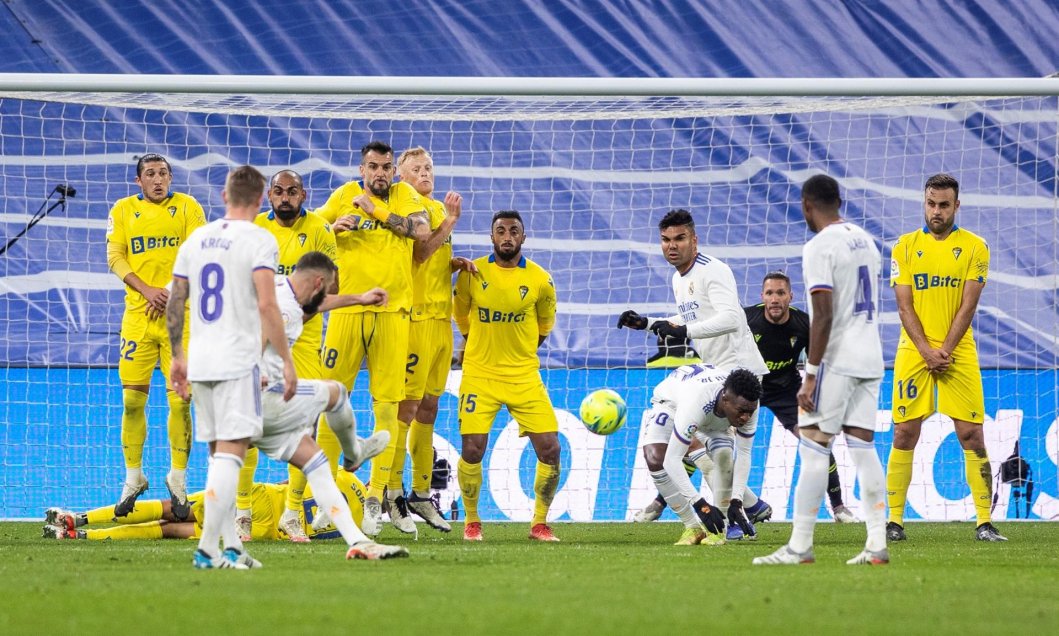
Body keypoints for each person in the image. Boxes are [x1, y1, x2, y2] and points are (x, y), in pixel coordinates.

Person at [753, 174, 888, 566]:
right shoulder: (866, 240)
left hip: (838, 358)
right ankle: (877, 544)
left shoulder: (819, 247)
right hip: (871, 357)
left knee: (813, 445)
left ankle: (799, 547)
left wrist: (810, 373)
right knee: (863, 448)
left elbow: (824, 314)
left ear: (807, 206)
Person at [619, 209, 772, 536]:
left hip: (738, 372)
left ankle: (732, 512)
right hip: (715, 371)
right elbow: (692, 316)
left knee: (712, 449)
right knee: (705, 447)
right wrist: (647, 325)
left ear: (694, 240)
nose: (671, 246)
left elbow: (731, 318)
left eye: (679, 238)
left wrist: (684, 331)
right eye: (665, 240)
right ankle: (747, 505)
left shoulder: (713, 270)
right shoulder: (678, 278)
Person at [314, 141, 430, 536]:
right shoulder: (343, 195)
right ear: (361, 169)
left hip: (393, 314)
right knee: (330, 400)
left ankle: (375, 500)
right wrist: (331, 229)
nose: (379, 173)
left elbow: (421, 230)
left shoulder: (405, 195)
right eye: (372, 167)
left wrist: (376, 211)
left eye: (385, 167)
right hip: (345, 312)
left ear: (393, 171)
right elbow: (309, 236)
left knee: (389, 407)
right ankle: (325, 499)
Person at [885, 173, 1005, 542]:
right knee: (905, 432)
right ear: (924, 203)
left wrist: (945, 351)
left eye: (944, 205)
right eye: (931, 204)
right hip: (914, 349)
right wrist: (925, 350)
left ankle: (984, 522)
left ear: (956, 206)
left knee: (971, 433)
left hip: (958, 349)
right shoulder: (904, 247)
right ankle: (893, 522)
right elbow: (904, 306)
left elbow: (969, 306)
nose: (936, 211)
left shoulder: (975, 247)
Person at [236, 169, 341, 543]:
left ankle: (293, 512)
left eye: (292, 191)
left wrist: (292, 316)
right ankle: (243, 511)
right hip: (257, 336)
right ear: (268, 197)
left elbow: (331, 286)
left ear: (303, 194)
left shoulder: (320, 231)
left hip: (306, 338)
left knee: (306, 425)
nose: (285, 197)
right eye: (278, 191)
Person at [105, 153, 206, 521]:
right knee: (132, 401)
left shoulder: (188, 208)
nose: (159, 179)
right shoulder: (122, 210)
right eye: (150, 174)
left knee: (181, 401)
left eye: (164, 173)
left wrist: (166, 293)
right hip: (137, 318)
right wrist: (149, 291)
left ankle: (178, 478)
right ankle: (134, 476)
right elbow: (115, 257)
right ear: (139, 181)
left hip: (180, 319)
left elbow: (199, 255)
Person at [452, 210, 561, 542]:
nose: (507, 236)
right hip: (479, 375)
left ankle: (540, 524)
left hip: (524, 376)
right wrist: (480, 347)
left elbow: (544, 327)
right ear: (492, 237)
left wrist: (519, 351)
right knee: (472, 449)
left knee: (550, 448)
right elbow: (461, 316)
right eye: (501, 230)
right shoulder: (472, 273)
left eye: (514, 230)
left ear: (523, 237)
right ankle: (472, 521)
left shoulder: (541, 279)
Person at [393, 147, 477, 534]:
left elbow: (434, 260)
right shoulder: (407, 209)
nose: (425, 172)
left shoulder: (438, 210)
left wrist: (455, 263)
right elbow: (420, 253)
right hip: (415, 320)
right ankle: (390, 490)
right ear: (401, 175)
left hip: (441, 322)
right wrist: (451, 223)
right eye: (416, 168)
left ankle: (421, 494)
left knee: (429, 409)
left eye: (428, 167)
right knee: (405, 409)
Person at [745, 271, 859, 523]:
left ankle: (839, 507)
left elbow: (820, 363)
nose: (775, 299)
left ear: (790, 296)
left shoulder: (804, 325)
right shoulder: (746, 319)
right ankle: (661, 502)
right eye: (770, 293)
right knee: (710, 438)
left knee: (817, 440)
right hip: (749, 387)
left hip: (786, 389)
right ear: (762, 296)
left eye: (780, 293)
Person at [42, 467, 370, 542]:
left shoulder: (345, 476)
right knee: (171, 530)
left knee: (171, 507)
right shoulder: (354, 526)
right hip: (267, 532)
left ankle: (78, 519)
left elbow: (294, 479)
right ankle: (77, 538)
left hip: (258, 500)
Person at [640, 364, 759, 546]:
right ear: (725, 399)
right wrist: (700, 505)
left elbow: (744, 453)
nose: (745, 418)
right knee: (655, 458)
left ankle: (720, 529)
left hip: (715, 418)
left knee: (724, 457)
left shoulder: (748, 404)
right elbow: (672, 460)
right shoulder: (696, 402)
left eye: (750, 412)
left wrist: (737, 500)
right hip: (672, 404)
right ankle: (692, 527)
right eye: (742, 412)